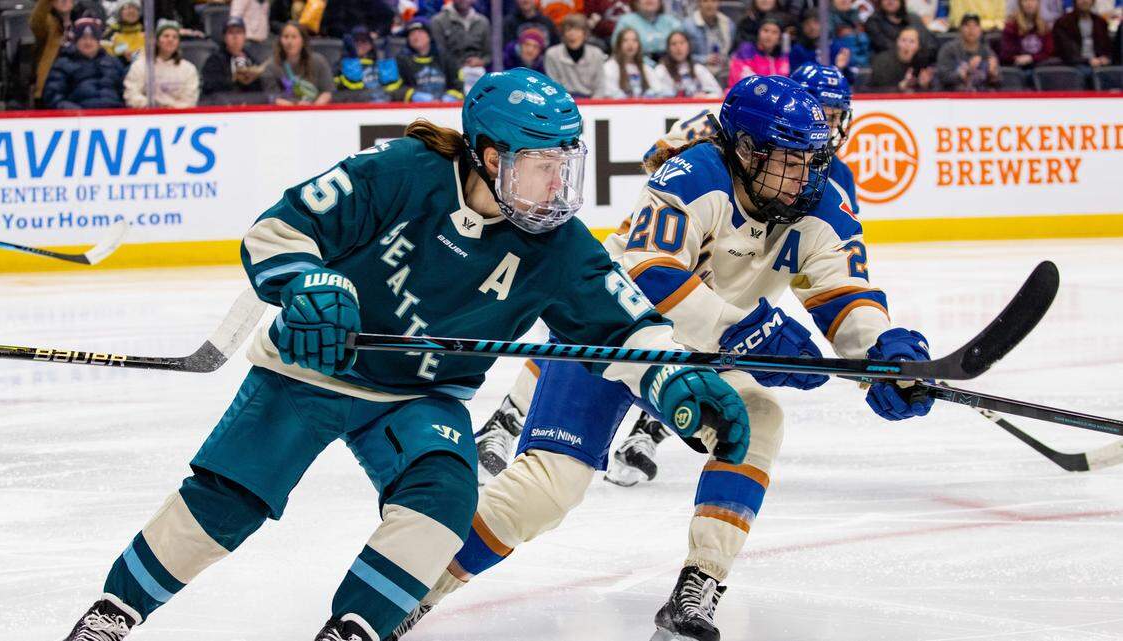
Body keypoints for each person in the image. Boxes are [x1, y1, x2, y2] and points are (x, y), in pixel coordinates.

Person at [59, 68, 749, 641]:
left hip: (422, 396)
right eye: (541, 168)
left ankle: (353, 630)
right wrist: (308, 282)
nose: (557, 187)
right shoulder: (403, 172)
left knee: (446, 497)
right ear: (486, 155)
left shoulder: (560, 245)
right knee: (231, 497)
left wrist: (675, 376)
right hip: (313, 368)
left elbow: (622, 326)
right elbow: (279, 229)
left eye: (566, 166)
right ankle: (110, 615)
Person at [389, 73, 934, 641]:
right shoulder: (697, 173)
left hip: (701, 350)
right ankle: (415, 592)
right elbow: (650, 274)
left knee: (759, 419)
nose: (803, 176)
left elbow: (842, 291)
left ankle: (699, 587)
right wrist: (743, 329)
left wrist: (879, 350)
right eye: (787, 161)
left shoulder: (821, 198)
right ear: (745, 151)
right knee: (543, 494)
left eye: (810, 160)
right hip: (614, 334)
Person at [597, 63, 874, 488]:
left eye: (835, 116)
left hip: (737, 279)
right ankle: (512, 415)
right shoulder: (722, 137)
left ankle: (651, 427)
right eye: (821, 112)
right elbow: (659, 158)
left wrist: (872, 356)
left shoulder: (830, 180)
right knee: (590, 321)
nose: (828, 126)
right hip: (684, 243)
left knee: (720, 342)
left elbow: (821, 268)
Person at [41, 16, 125, 109]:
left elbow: (125, 91)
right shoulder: (62, 64)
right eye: (83, 38)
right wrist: (70, 110)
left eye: (92, 38)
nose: (88, 42)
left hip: (115, 116)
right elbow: (53, 95)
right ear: (76, 41)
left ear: (98, 41)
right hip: (79, 117)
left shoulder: (113, 63)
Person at [123, 20, 200, 108]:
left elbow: (190, 101)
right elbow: (131, 95)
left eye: (175, 37)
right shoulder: (140, 66)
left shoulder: (189, 68)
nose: (170, 40)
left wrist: (172, 108)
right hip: (147, 116)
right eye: (166, 36)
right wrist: (156, 106)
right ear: (157, 41)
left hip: (178, 117)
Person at [261, 21, 334, 106]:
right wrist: (295, 108)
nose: (289, 41)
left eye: (294, 37)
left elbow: (327, 92)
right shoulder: (272, 66)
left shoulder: (319, 61)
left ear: (303, 41)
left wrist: (313, 108)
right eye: (285, 37)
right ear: (280, 40)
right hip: (285, 113)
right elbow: (272, 97)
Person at [394, 19, 463, 102]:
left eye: (420, 33)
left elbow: (459, 85)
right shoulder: (402, 61)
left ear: (429, 37)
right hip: (415, 109)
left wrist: (450, 96)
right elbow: (394, 90)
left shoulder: (446, 59)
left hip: (444, 107)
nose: (416, 37)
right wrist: (412, 95)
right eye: (412, 34)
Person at [544, 13, 607, 97]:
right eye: (568, 30)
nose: (572, 34)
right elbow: (552, 87)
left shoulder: (596, 54)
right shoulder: (552, 54)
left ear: (584, 33)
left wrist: (593, 106)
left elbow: (600, 86)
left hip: (591, 103)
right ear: (563, 33)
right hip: (564, 102)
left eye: (577, 30)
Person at [201, 16, 265, 97]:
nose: (235, 37)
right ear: (224, 37)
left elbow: (260, 92)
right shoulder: (214, 61)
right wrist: (233, 79)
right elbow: (210, 87)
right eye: (231, 33)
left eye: (239, 32)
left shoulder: (252, 61)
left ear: (244, 37)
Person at [935, 13, 1002, 90]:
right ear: (960, 29)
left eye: (975, 25)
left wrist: (993, 74)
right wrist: (966, 71)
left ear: (980, 30)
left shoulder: (987, 52)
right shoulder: (949, 50)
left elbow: (998, 82)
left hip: (981, 98)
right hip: (954, 97)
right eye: (967, 25)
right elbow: (943, 78)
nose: (971, 29)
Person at [335, 25, 400, 102]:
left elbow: (392, 87)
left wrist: (387, 61)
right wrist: (352, 58)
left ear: (371, 45)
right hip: (358, 107)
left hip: (383, 104)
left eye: (364, 41)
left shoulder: (380, 63)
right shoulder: (340, 65)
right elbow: (353, 87)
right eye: (356, 41)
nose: (360, 44)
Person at [429, 0, 491, 80]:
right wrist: (460, 65)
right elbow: (439, 53)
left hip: (479, 71)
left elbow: (489, 54)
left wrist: (481, 62)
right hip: (450, 73)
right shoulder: (438, 21)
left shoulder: (483, 22)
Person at [652, 29, 722, 96]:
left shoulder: (698, 69)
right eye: (673, 44)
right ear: (668, 49)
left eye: (682, 43)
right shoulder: (661, 70)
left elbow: (718, 92)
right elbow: (655, 95)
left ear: (689, 46)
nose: (678, 48)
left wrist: (705, 96)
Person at [601, 27, 667, 97]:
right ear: (618, 44)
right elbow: (609, 93)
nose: (630, 44)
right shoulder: (609, 67)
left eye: (634, 40)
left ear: (639, 45)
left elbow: (658, 91)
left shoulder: (646, 68)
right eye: (625, 40)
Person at [864, 0, 936, 61]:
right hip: (888, 64)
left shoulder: (913, 18)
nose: (890, 1)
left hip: (919, 64)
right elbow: (884, 46)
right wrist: (909, 51)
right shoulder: (873, 21)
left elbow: (931, 44)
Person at [682, 0, 734, 83]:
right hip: (698, 71)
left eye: (713, 1)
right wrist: (704, 59)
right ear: (699, 3)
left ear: (719, 3)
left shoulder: (728, 24)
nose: (709, 4)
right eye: (705, 1)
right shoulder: (687, 25)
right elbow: (681, 56)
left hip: (724, 70)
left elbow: (733, 52)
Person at [869, 25, 935, 91]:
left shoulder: (922, 62)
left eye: (912, 41)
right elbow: (880, 90)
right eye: (903, 40)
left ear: (919, 46)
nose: (907, 45)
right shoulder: (883, 61)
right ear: (897, 42)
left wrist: (924, 86)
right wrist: (900, 87)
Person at [1052, 0, 1111, 70]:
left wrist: (1105, 57)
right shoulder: (1063, 22)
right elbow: (1067, 52)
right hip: (1074, 64)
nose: (1084, 1)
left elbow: (1107, 47)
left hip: (1099, 62)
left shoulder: (1100, 22)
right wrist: (1088, 60)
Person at [728, 18, 789, 85]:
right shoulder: (746, 49)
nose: (769, 35)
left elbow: (783, 82)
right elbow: (742, 80)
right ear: (758, 32)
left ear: (779, 38)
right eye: (765, 30)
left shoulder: (782, 56)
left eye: (774, 32)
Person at [611, 0, 683, 58]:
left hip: (669, 67)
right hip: (637, 66)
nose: (649, 0)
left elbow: (684, 45)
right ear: (636, 2)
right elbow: (617, 47)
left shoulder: (671, 21)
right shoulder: (626, 21)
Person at [999, 0, 1055, 72]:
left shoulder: (1044, 26)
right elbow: (1006, 54)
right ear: (1020, 4)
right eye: (1025, 1)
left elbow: (1048, 52)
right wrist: (1018, 59)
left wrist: (1031, 58)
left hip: (1040, 67)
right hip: (1018, 69)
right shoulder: (1011, 26)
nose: (1029, 3)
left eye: (1033, 1)